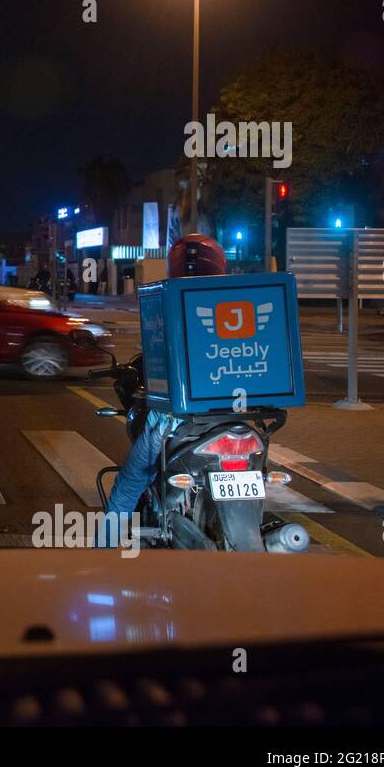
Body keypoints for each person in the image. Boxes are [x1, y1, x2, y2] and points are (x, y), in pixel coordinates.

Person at [97, 233, 228, 546]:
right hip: (233, 420)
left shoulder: (169, 303)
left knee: (129, 484)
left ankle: (98, 559)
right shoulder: (235, 300)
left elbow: (154, 358)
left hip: (173, 423)